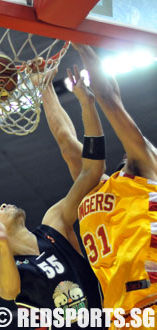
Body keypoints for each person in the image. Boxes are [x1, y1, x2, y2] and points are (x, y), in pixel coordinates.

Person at [0, 66, 106, 329]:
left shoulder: (54, 224)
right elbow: (7, 290)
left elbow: (91, 169)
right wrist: (3, 244)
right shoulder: (10, 273)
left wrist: (46, 88)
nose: (3, 204)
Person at [72, 44, 157, 329]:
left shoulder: (146, 164)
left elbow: (110, 99)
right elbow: (67, 144)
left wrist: (83, 44)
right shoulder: (99, 187)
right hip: (120, 317)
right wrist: (47, 91)